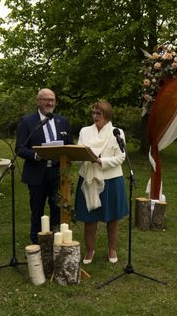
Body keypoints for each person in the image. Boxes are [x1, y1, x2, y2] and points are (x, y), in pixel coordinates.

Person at [16, 88, 73, 245]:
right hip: (36, 173)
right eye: (46, 99)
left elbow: (70, 145)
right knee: (37, 210)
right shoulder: (28, 122)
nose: (50, 103)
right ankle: (36, 242)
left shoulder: (63, 121)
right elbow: (20, 148)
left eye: (52, 100)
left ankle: (56, 241)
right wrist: (35, 155)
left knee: (56, 209)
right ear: (38, 101)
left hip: (57, 174)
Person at [74, 100, 128, 264]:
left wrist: (100, 161)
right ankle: (90, 250)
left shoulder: (117, 132)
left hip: (111, 180)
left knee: (112, 219)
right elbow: (79, 151)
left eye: (99, 113)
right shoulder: (85, 131)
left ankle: (112, 249)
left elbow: (121, 157)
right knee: (89, 219)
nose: (95, 116)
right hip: (88, 179)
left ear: (107, 115)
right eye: (94, 113)